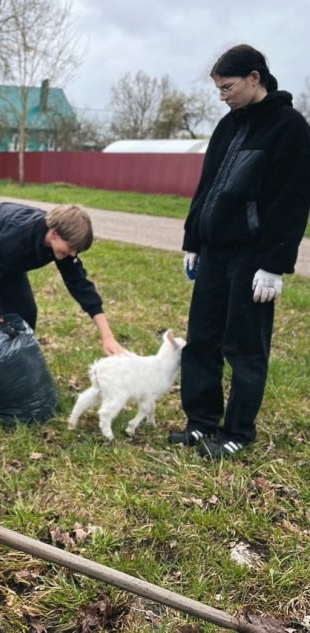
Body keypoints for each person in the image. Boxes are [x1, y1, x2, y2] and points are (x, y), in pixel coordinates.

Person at [170, 44, 310, 459]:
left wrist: (273, 264)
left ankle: (237, 432)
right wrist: (193, 240)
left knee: (245, 347)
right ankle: (201, 424)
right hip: (214, 253)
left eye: (227, 86)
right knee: (202, 341)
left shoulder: (289, 128)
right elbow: (207, 187)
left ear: (255, 77)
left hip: (253, 259)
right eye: (217, 89)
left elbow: (293, 201)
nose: (222, 95)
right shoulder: (227, 126)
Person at [0, 202, 126, 422]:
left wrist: (107, 336)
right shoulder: (18, 235)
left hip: (8, 259)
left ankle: (9, 385)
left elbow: (80, 286)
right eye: (70, 248)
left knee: (24, 313)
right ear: (54, 233)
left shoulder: (62, 247)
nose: (73, 253)